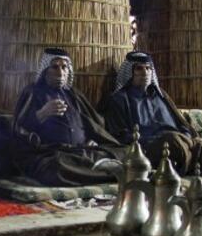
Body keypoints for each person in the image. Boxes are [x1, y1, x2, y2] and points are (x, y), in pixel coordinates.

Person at [103, 51, 202, 177]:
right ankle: (192, 164)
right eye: (139, 69)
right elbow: (119, 135)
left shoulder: (162, 96)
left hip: (186, 145)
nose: (145, 73)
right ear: (129, 73)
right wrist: (156, 140)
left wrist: (186, 135)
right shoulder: (119, 100)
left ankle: (188, 164)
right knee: (172, 141)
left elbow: (181, 124)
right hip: (153, 149)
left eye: (148, 68)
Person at [11, 48, 124, 186]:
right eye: (55, 67)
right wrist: (42, 114)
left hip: (80, 151)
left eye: (64, 67)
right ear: (46, 70)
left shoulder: (74, 94)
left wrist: (92, 140)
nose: (60, 72)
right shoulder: (32, 92)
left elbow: (94, 123)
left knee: (121, 154)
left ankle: (99, 172)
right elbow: (18, 130)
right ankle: (110, 174)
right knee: (56, 169)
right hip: (50, 154)